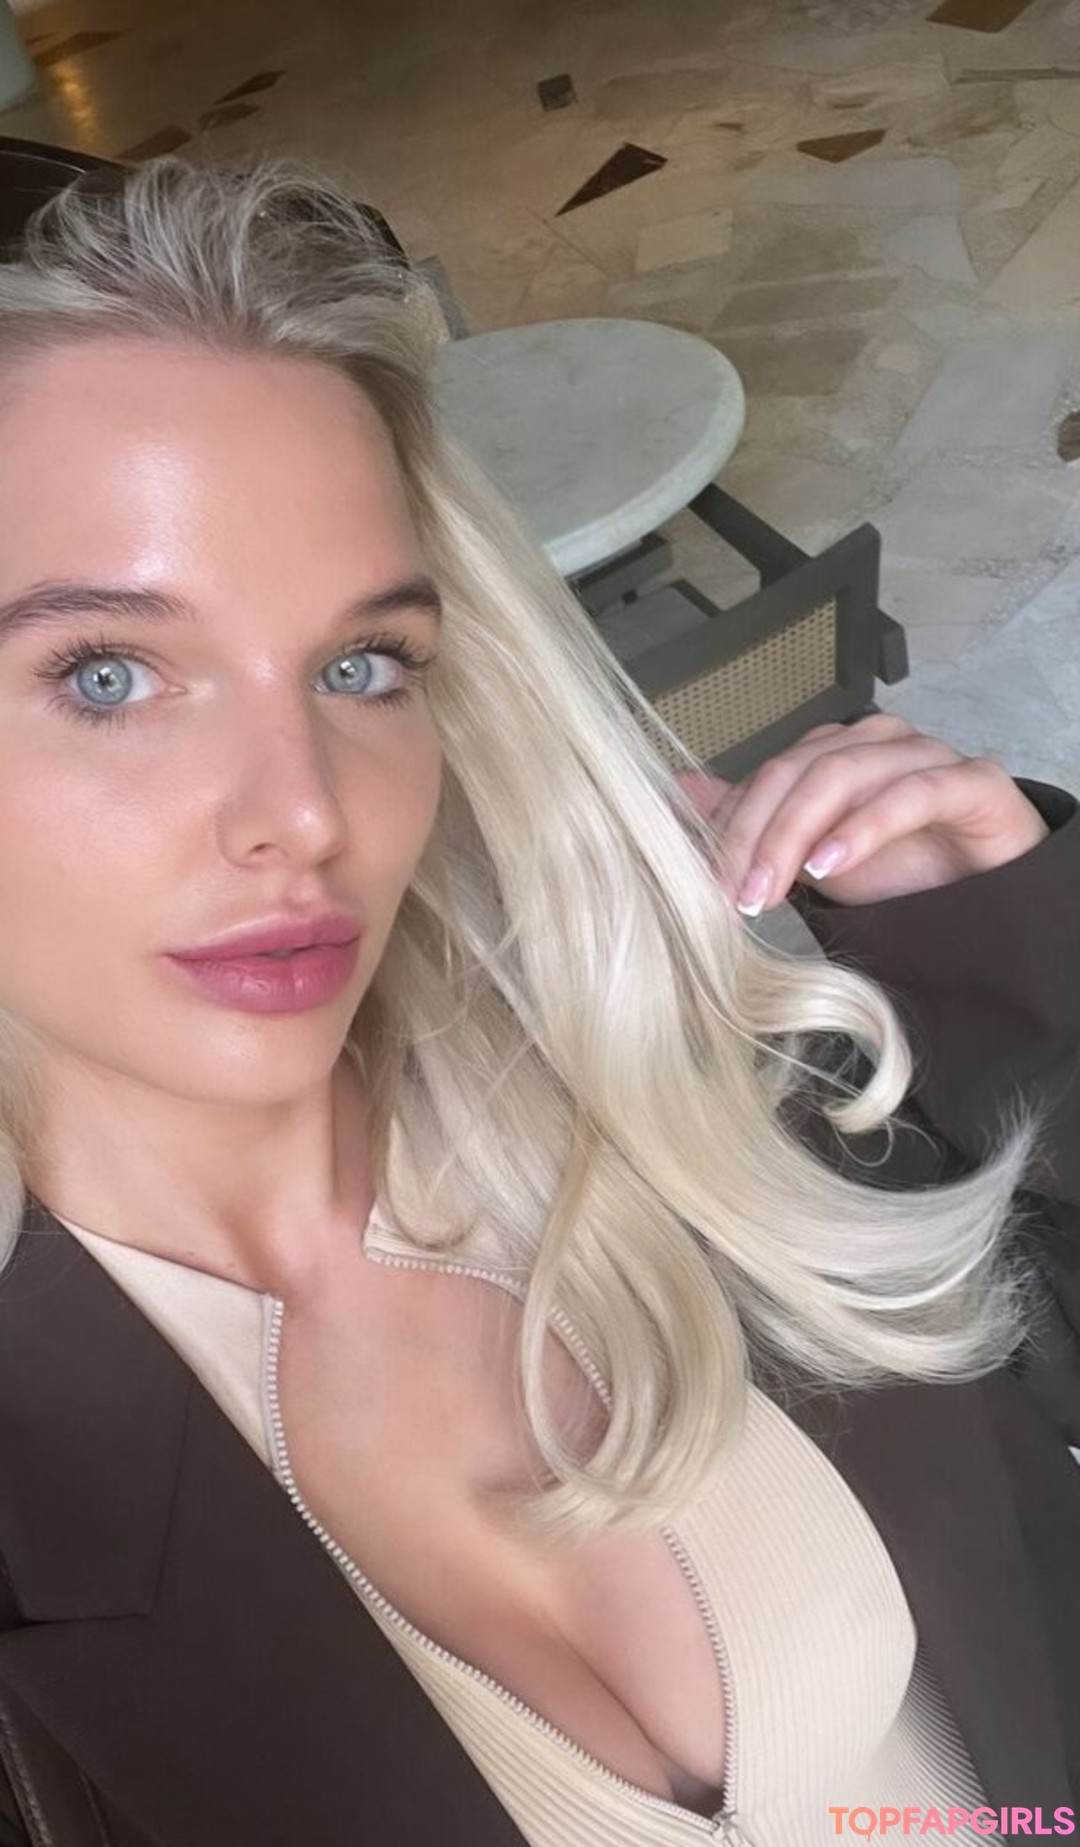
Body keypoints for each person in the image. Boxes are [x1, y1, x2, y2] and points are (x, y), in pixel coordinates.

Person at [0, 157, 1077, 1847]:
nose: (306, 812)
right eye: (109, 675)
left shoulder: (678, 1057)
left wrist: (1009, 948)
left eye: (362, 666)